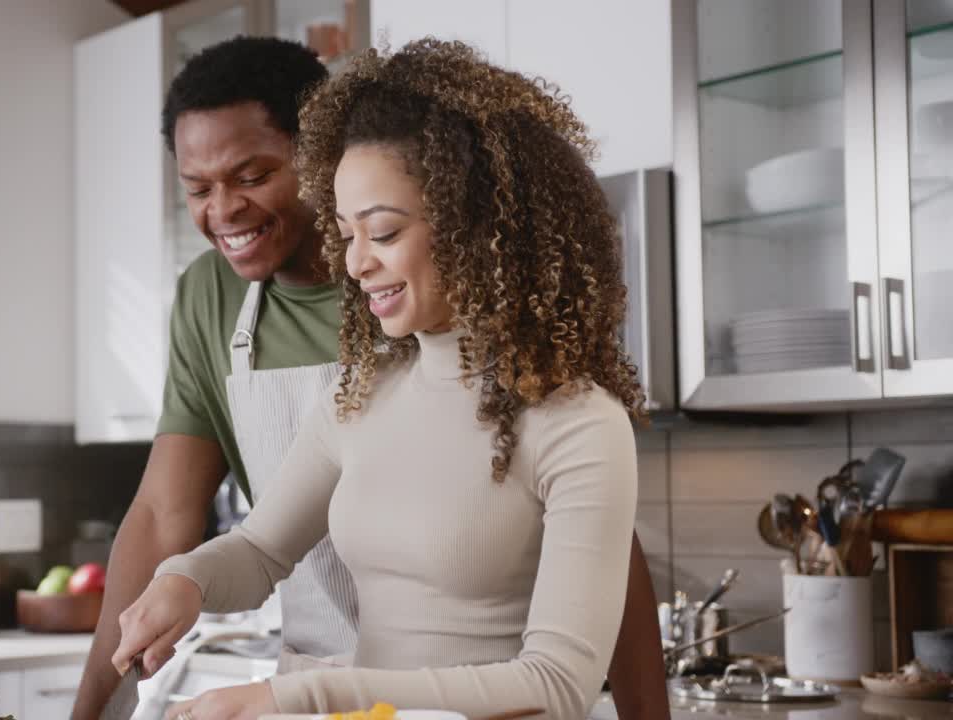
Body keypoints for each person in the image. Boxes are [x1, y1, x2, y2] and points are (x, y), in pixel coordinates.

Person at [72, 36, 668, 720]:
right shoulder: (359, 395)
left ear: (474, 225)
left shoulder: (577, 422)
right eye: (346, 234)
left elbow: (556, 684)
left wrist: (299, 695)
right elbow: (261, 548)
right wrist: (187, 580)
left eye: (381, 234)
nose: (354, 266)